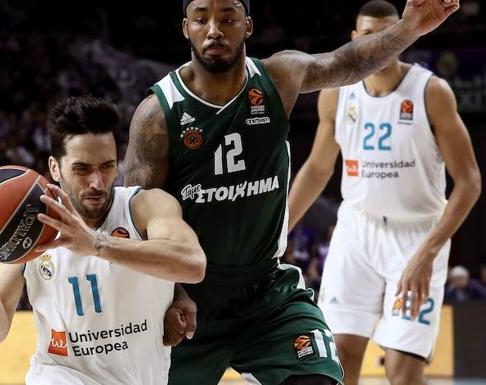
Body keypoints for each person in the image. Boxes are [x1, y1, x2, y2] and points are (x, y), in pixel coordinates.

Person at [123, 0, 461, 384]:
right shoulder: (157, 116)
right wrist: (170, 294)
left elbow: (345, 62)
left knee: (319, 377)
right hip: (189, 299)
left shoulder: (278, 78)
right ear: (186, 28)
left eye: (228, 19)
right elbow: (134, 222)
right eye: (201, 19)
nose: (214, 29)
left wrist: (411, 27)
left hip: (266, 291)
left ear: (248, 26)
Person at [288, 1, 481, 385]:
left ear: (402, 37)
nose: (380, 44)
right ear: (355, 39)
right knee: (338, 360)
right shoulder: (337, 92)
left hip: (418, 236)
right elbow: (318, 168)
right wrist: (277, 232)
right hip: (357, 232)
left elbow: (470, 182)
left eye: (388, 34)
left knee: (403, 372)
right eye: (370, 35)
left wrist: (426, 254)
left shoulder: (431, 91)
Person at [0, 96, 206, 385]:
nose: (97, 183)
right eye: (82, 169)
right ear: (54, 168)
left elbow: (193, 264)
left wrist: (97, 244)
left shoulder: (144, 207)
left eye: (107, 166)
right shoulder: (31, 229)